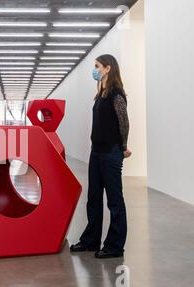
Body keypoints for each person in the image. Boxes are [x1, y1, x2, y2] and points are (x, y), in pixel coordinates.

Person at [70, 54, 131, 259]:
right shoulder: (101, 94)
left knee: (114, 201)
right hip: (96, 152)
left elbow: (124, 122)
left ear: (107, 68)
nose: (94, 70)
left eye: (97, 66)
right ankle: (91, 241)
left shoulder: (116, 94)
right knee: (93, 198)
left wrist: (123, 146)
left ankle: (114, 246)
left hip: (111, 153)